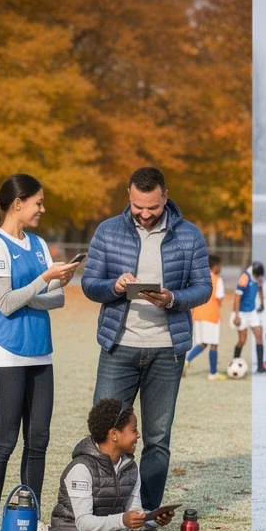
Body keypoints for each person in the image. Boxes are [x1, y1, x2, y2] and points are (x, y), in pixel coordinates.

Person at [82, 167, 211, 512]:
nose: (144, 213)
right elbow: (89, 284)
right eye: (138, 205)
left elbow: (204, 288)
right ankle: (102, 511)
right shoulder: (108, 231)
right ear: (129, 194)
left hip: (167, 351)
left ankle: (147, 513)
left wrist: (173, 299)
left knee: (157, 438)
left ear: (165, 197)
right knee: (105, 432)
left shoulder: (190, 235)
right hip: (118, 347)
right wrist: (115, 286)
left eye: (152, 207)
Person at [0, 174, 79, 531]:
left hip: (40, 351)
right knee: (4, 441)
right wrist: (43, 282)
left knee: (39, 441)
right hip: (5, 352)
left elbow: (58, 300)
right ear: (18, 203)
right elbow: (6, 301)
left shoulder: (37, 244)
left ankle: (29, 521)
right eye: (38, 202)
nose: (42, 209)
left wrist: (34, 290)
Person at [49, 399, 214, 531]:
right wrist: (123, 521)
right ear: (114, 434)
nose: (138, 435)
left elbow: (134, 513)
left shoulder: (130, 468)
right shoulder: (81, 468)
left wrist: (152, 519)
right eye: (134, 429)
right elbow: (83, 524)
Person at [184, 254, 226, 380]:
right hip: (211, 316)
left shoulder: (199, 279)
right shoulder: (217, 280)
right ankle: (213, 373)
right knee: (213, 344)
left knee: (202, 343)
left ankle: (186, 361)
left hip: (198, 315)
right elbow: (219, 297)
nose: (220, 268)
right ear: (215, 266)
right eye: (220, 265)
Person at [230, 262, 265, 374]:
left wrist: (262, 303)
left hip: (252, 312)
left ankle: (260, 367)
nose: (259, 278)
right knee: (242, 340)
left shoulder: (259, 278)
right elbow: (237, 297)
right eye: (257, 276)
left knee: (259, 335)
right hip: (241, 313)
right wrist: (236, 315)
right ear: (253, 273)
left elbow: (260, 289)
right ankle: (235, 363)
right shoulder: (244, 278)